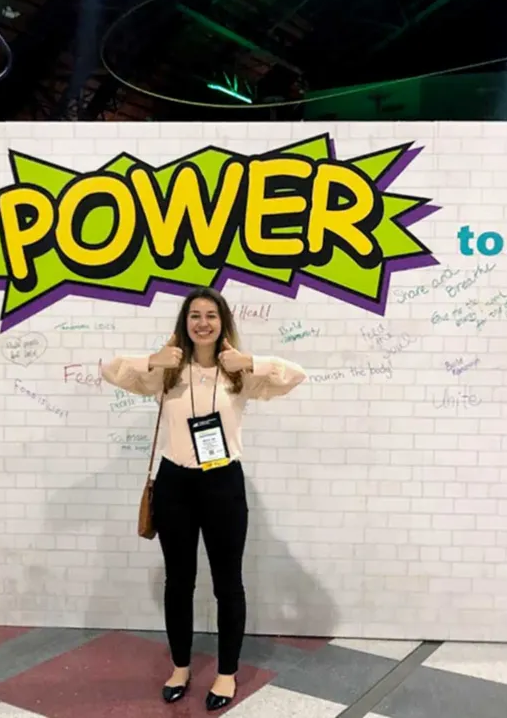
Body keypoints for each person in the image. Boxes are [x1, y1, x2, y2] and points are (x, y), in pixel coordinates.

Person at [100, 286, 306, 711]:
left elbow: (295, 375)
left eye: (211, 315)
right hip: (175, 482)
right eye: (195, 315)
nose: (203, 322)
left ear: (223, 322)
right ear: (185, 323)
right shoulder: (168, 371)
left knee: (228, 583)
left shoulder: (239, 374)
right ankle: (180, 666)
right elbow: (110, 371)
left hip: (223, 483)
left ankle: (226, 673)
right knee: (180, 582)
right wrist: (152, 360)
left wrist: (250, 361)